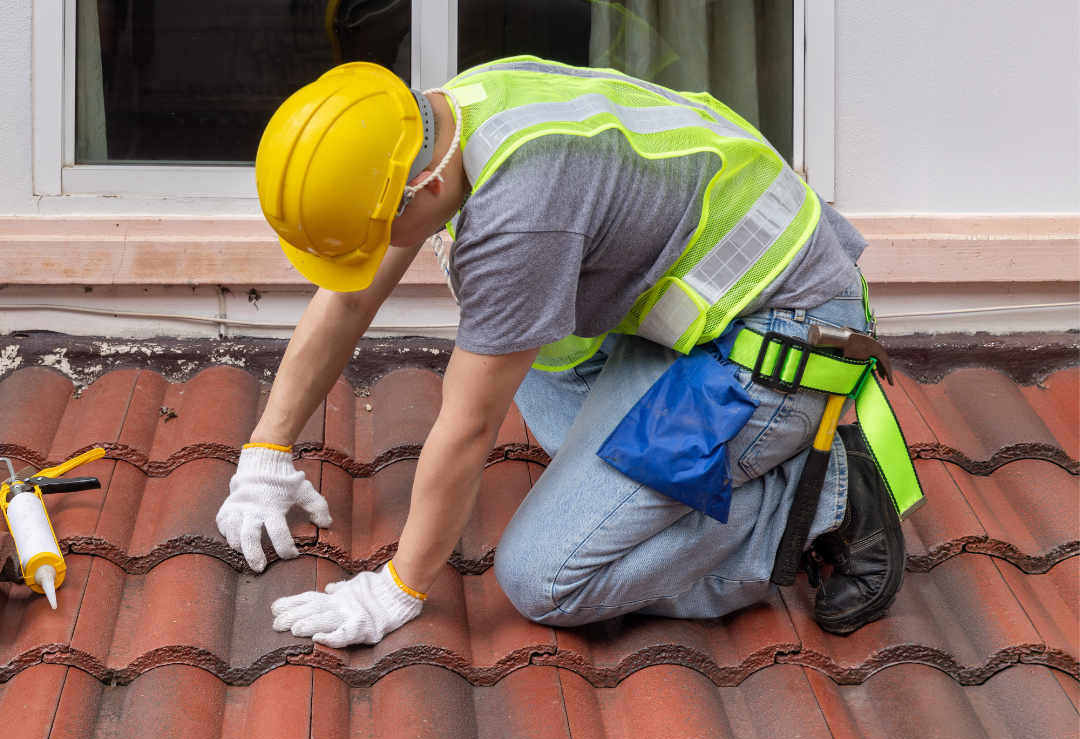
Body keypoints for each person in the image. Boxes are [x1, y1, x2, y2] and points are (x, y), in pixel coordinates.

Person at [216, 57, 918, 649]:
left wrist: (397, 588)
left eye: (379, 234)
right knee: (534, 356)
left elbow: (466, 426)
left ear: (420, 188)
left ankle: (814, 498)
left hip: (781, 339)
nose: (379, 257)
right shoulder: (450, 115)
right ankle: (701, 468)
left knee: (545, 579)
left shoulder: (522, 213)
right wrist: (266, 455)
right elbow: (348, 299)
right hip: (712, 311)